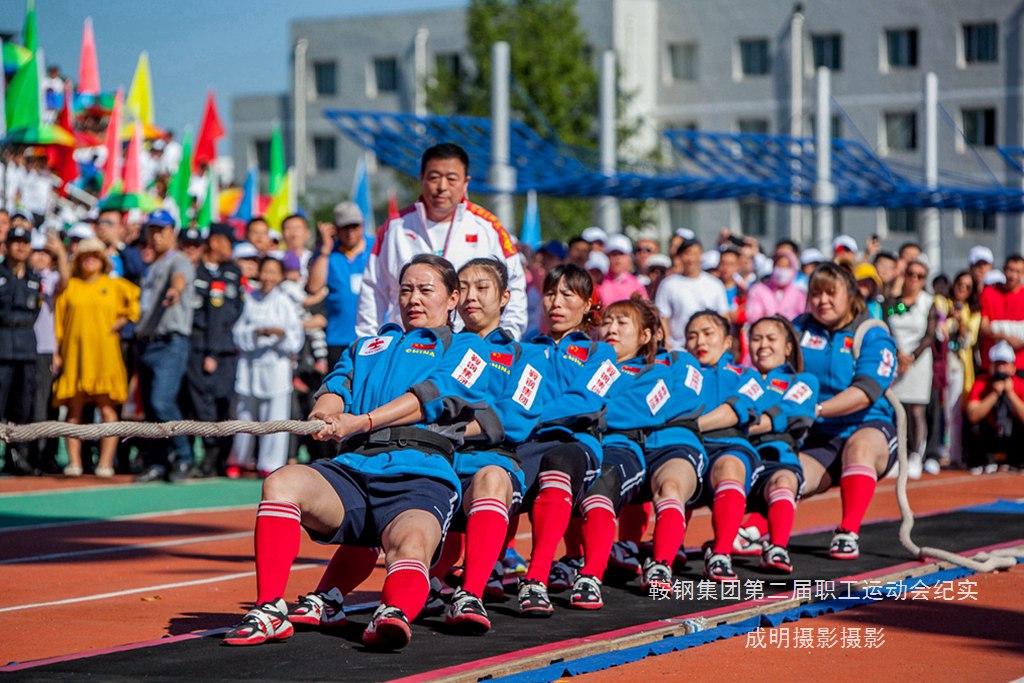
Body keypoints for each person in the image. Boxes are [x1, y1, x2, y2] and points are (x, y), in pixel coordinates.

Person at [222, 254, 495, 650]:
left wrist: (361, 421)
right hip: (352, 469)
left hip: (421, 477)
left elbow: (427, 399)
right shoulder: (367, 345)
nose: (413, 299)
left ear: (453, 298)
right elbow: (335, 388)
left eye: (425, 290)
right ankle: (269, 609)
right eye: (405, 290)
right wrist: (326, 414)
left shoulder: (470, 349)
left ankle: (394, 612)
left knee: (412, 546)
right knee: (283, 482)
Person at [514, 264, 619, 617]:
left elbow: (586, 399)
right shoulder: (524, 348)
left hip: (578, 442)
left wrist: (526, 418)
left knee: (558, 465)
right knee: (492, 476)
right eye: (549, 293)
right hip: (527, 441)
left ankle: (536, 578)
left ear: (589, 305)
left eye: (567, 295)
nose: (555, 303)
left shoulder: (601, 353)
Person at [356, 143, 527, 339]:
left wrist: (507, 336)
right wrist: (367, 342)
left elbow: (514, 284)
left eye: (451, 179)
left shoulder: (488, 227)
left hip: (470, 345)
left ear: (466, 182)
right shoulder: (395, 227)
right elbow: (373, 288)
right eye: (434, 177)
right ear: (422, 179)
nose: (442, 187)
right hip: (406, 345)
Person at [567, 297, 668, 608]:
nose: (611, 328)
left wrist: (581, 408)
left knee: (600, 482)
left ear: (645, 336)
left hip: (621, 448)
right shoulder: (587, 363)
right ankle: (568, 560)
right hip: (582, 442)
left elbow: (633, 412)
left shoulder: (652, 373)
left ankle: (591, 575)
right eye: (607, 321)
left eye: (623, 323)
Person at [794, 263, 898, 560]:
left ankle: (848, 531)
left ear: (850, 294)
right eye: (815, 293)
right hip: (818, 434)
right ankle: (754, 531)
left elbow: (865, 391)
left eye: (830, 292)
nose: (822, 300)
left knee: (860, 447)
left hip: (867, 426)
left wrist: (816, 409)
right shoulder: (797, 329)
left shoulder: (872, 333)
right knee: (788, 474)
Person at [685, 311, 764, 581]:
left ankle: (720, 553)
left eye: (708, 334)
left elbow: (734, 412)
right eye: (692, 336)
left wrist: (689, 425)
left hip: (728, 445)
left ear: (727, 341)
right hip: (685, 447)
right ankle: (657, 552)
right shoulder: (679, 373)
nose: (699, 342)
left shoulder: (746, 375)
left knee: (730, 466)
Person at [53, 238, 140, 477]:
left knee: (108, 410)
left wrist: (121, 321)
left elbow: (136, 302)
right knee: (73, 411)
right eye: (85, 255)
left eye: (94, 255)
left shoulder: (114, 285)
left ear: (102, 260)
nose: (90, 259)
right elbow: (58, 321)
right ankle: (74, 462)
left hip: (104, 355)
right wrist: (56, 352)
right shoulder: (70, 286)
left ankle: (105, 462)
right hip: (75, 356)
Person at [740, 316, 818, 574]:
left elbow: (790, 413)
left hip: (775, 456)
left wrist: (738, 422)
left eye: (771, 339)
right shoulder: (738, 377)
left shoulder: (803, 381)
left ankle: (777, 547)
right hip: (734, 454)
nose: (763, 345)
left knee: (785, 479)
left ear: (787, 347)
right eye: (756, 338)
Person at [133, 211, 197, 483]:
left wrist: (176, 291)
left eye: (162, 230)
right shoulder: (152, 264)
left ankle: (184, 457)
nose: (156, 235)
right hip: (148, 343)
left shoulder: (178, 260)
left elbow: (179, 279)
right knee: (150, 407)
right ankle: (157, 461)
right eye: (152, 230)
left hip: (170, 341)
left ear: (173, 232)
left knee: (162, 401)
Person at [229, 256, 304, 477]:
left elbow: (295, 338)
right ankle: (239, 459)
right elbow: (237, 332)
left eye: (274, 272)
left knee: (275, 417)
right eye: (265, 271)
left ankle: (269, 464)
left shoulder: (285, 302)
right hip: (250, 365)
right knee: (244, 414)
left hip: (276, 366)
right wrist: (254, 333)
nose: (269, 277)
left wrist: (279, 336)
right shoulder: (250, 299)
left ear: (280, 276)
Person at [184, 223, 244, 477]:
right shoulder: (194, 270)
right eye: (229, 242)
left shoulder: (232, 271)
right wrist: (209, 352)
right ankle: (207, 458)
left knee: (223, 402)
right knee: (201, 405)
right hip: (198, 347)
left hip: (225, 349)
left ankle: (221, 456)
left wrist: (217, 351)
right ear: (216, 241)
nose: (232, 248)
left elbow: (233, 311)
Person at [885, 259, 936, 479]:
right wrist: (898, 354)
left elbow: (930, 334)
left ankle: (916, 454)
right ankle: (899, 454)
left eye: (920, 276)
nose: (914, 279)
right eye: (911, 274)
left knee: (916, 410)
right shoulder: (893, 301)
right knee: (897, 408)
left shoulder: (929, 302)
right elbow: (887, 326)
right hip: (897, 359)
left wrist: (911, 357)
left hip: (919, 360)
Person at [307, 201, 374, 369]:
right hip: (338, 337)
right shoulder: (328, 253)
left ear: (362, 225)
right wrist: (325, 250)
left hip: (374, 335)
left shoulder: (376, 247)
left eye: (354, 226)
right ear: (336, 229)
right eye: (345, 227)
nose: (350, 232)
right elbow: (314, 287)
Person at [0, 226, 44, 476]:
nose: (20, 246)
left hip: (26, 347)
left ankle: (17, 456)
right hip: (2, 345)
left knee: (22, 406)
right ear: (6, 245)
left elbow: (35, 312)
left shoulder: (34, 278)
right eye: (15, 241)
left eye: (25, 242)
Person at [28, 231, 69, 473]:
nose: (41, 257)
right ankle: (21, 455)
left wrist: (61, 253)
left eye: (46, 253)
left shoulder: (50, 278)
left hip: (44, 349)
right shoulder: (20, 275)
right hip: (19, 349)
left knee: (43, 406)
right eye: (38, 252)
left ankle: (42, 456)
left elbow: (65, 280)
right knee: (22, 405)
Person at [939, 272, 981, 469]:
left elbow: (968, 341)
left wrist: (961, 321)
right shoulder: (941, 303)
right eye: (960, 284)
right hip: (940, 363)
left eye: (968, 286)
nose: (962, 289)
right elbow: (938, 331)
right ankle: (936, 451)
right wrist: (947, 317)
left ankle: (954, 454)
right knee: (939, 410)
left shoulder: (973, 312)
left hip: (958, 364)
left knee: (954, 412)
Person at [654, 238, 728, 351]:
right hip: (678, 348)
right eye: (687, 254)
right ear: (680, 257)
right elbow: (663, 318)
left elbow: (723, 316)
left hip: (709, 348)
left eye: (695, 253)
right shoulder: (668, 284)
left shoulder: (715, 284)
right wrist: (666, 345)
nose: (691, 258)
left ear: (701, 255)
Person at [966, 341, 1024, 473]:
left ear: (1013, 367)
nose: (1001, 369)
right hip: (990, 434)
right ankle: (982, 460)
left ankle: (1017, 460)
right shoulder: (981, 383)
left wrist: (1011, 394)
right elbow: (972, 416)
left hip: (1013, 436)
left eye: (1004, 364)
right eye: (997, 364)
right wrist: (994, 394)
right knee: (974, 428)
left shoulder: (1020, 384)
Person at [980, 254, 1024, 373]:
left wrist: (996, 328)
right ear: (1004, 269)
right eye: (1010, 270)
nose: (1013, 275)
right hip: (991, 365)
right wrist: (1007, 337)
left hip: (1020, 365)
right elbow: (984, 328)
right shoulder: (989, 293)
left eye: (1018, 271)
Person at [745, 248, 806, 322]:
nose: (782, 271)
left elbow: (803, 317)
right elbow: (753, 315)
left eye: (786, 267)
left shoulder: (799, 294)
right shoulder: (758, 290)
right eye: (779, 266)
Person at [597, 235, 647, 306]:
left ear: (629, 257)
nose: (618, 258)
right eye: (613, 254)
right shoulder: (600, 282)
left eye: (621, 254)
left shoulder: (636, 283)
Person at [280, 213, 313, 284]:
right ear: (282, 234)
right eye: (288, 228)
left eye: (297, 228)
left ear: (307, 233)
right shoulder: (275, 258)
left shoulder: (315, 258)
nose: (293, 232)